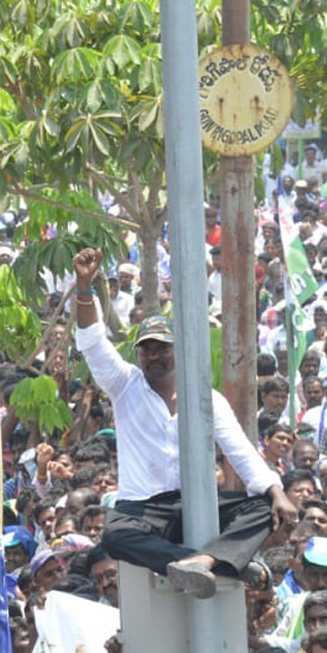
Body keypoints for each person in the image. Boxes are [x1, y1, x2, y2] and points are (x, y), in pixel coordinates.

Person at [72, 247, 298, 597]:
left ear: (177, 350)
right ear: (139, 355)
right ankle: (218, 562)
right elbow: (92, 343)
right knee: (114, 537)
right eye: (147, 349)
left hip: (194, 503)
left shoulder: (206, 399)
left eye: (162, 347)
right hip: (141, 507)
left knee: (263, 508)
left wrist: (277, 491)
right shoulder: (124, 384)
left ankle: (205, 564)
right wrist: (84, 287)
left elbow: (241, 452)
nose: (155, 356)